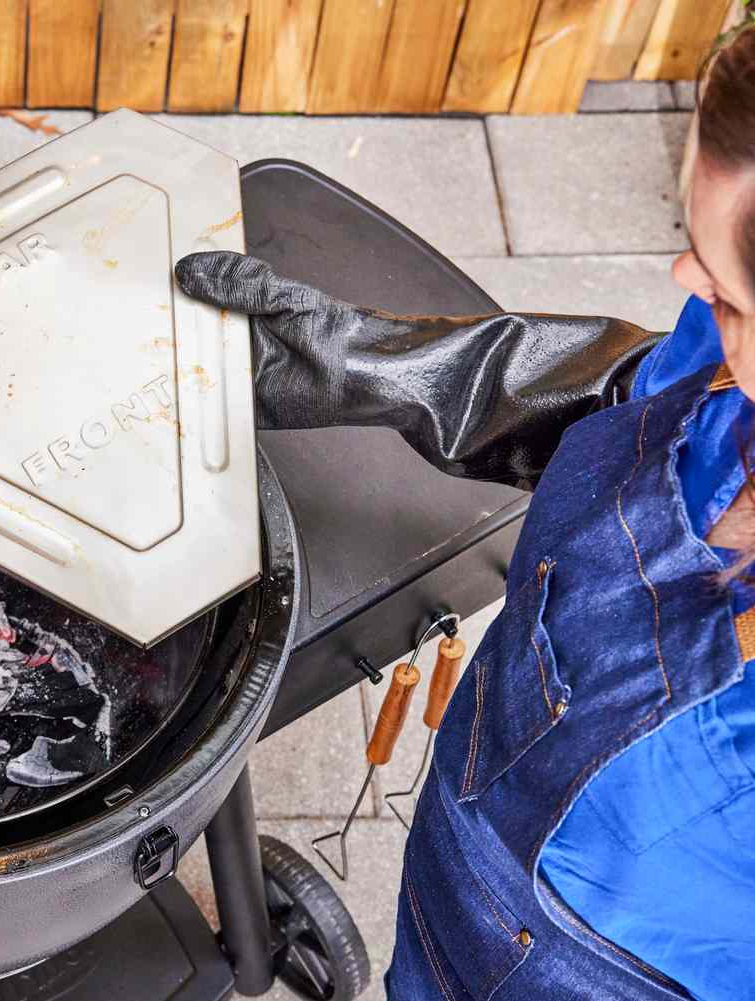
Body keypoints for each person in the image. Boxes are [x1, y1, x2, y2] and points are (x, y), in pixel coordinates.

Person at [176, 23, 755, 1001]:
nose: (684, 283)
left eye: (733, 297)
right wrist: (369, 362)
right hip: (468, 817)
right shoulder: (731, 373)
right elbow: (631, 397)